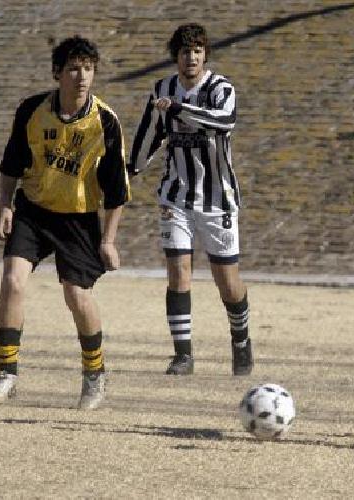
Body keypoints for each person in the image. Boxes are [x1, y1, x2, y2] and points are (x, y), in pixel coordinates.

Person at [0, 36, 131, 411]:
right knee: (13, 280)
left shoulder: (105, 122)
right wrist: (4, 207)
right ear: (57, 73)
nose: (82, 77)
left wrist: (109, 241)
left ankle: (94, 375)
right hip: (33, 210)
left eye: (88, 68)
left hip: (78, 219)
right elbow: (10, 166)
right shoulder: (32, 111)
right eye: (73, 69)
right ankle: (7, 373)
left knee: (76, 296)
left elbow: (117, 192)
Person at [127, 23, 252, 376]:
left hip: (218, 199)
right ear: (176, 57)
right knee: (178, 272)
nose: (191, 57)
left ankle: (241, 340)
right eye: (184, 52)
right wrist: (130, 169)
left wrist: (179, 109)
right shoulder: (162, 89)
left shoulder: (220, 88)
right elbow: (150, 133)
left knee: (227, 282)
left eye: (197, 51)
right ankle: (183, 355)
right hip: (175, 196)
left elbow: (223, 122)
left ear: (205, 55)